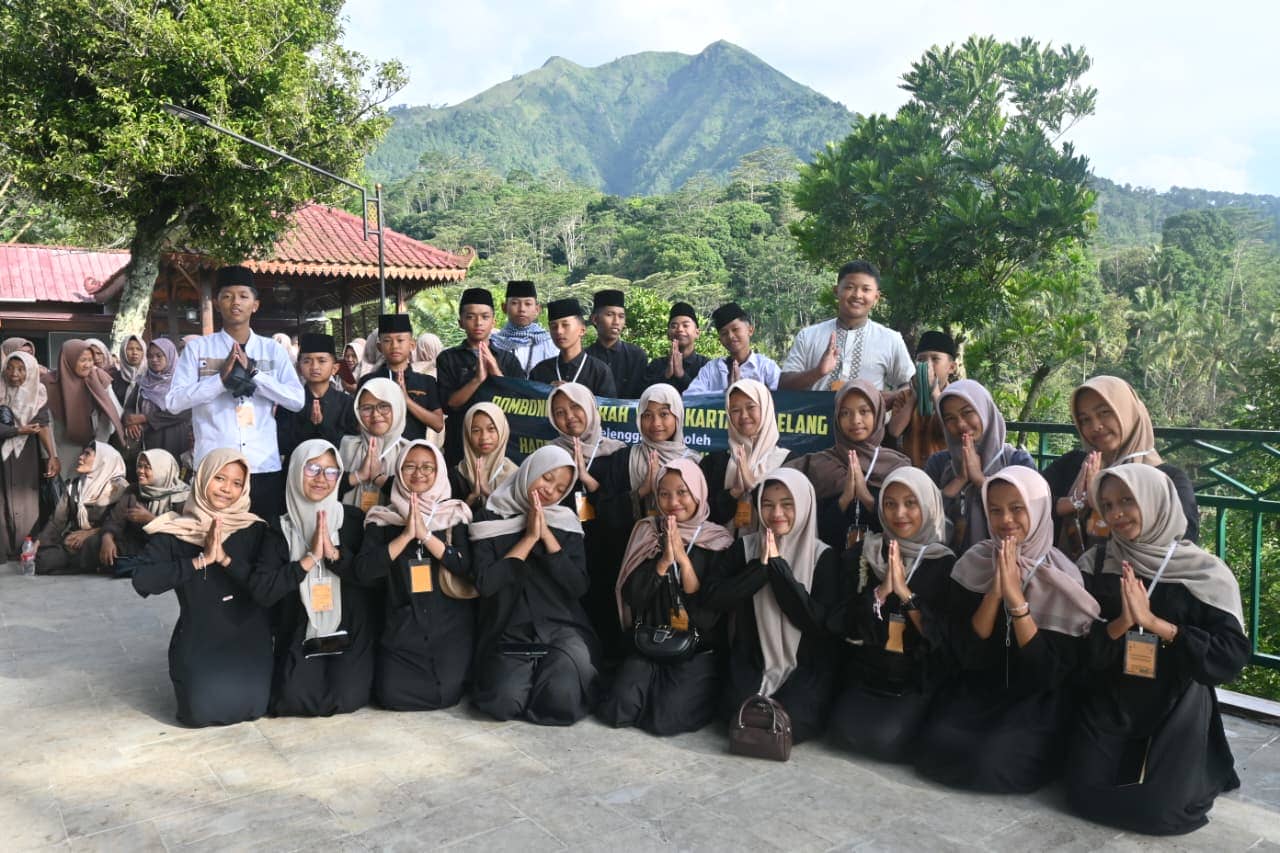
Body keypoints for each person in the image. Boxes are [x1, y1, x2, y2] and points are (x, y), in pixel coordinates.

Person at [1067, 464, 1248, 835]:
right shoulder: (1097, 564)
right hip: (1112, 695)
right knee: (1082, 795)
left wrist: (1156, 624)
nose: (1116, 514)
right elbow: (1079, 650)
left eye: (1127, 501)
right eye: (1107, 504)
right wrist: (1122, 622)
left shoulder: (1203, 572)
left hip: (1177, 699)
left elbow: (1229, 657)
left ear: (1155, 501)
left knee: (1160, 812)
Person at [916, 466, 1100, 793]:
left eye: (1017, 508)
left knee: (991, 764)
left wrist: (1016, 600)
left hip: (1036, 700)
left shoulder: (1063, 577)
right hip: (981, 688)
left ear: (1038, 510)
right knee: (936, 745)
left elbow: (1048, 673)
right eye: (995, 510)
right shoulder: (974, 562)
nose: (1006, 520)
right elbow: (967, 653)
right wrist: (995, 592)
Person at [133, 450, 284, 727]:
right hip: (200, 637)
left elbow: (267, 589)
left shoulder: (256, 530)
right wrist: (199, 561)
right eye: (219, 478)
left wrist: (226, 560)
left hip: (249, 640)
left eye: (237, 483)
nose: (227, 489)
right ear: (202, 478)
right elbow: (143, 580)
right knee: (199, 714)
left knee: (255, 707)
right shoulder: (178, 531)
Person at [701, 468, 841, 743]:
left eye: (787, 504)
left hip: (804, 664)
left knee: (791, 722)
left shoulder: (822, 556)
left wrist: (779, 569)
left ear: (804, 505)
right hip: (752, 659)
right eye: (767, 504)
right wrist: (760, 568)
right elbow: (713, 597)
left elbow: (818, 623)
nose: (776, 513)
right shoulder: (745, 548)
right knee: (736, 713)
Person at [599, 459, 735, 734]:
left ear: (698, 493)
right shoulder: (647, 532)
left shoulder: (719, 540)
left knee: (664, 720)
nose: (673, 502)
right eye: (664, 494)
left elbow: (708, 615)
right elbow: (633, 597)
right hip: (650, 639)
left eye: (682, 492)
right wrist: (662, 563)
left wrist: (684, 561)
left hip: (697, 646)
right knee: (619, 709)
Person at [465, 446, 599, 724]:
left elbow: (578, 586)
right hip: (509, 630)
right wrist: (528, 539)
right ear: (529, 471)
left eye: (560, 488)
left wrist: (547, 537)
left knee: (561, 701)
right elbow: (486, 584)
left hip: (562, 629)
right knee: (503, 703)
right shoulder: (489, 519)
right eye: (546, 478)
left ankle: (542, 678)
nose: (550, 490)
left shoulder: (567, 523)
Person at [828, 469, 956, 762]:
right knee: (844, 733)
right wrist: (881, 593)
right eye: (890, 503)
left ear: (928, 505)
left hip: (916, 678)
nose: (899, 513)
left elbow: (943, 639)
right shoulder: (866, 553)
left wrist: (906, 595)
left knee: (886, 742)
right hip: (870, 671)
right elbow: (845, 623)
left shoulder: (944, 562)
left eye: (911, 503)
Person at [165, 265, 305, 518]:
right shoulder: (198, 349)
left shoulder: (272, 350)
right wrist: (220, 381)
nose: (235, 302)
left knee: (262, 533)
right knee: (213, 535)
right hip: (214, 466)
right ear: (217, 304)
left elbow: (297, 400)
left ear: (255, 305)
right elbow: (173, 402)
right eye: (227, 296)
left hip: (262, 464)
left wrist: (255, 374)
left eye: (243, 296)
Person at [358, 440, 476, 710]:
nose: (418, 473)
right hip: (402, 627)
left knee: (448, 694)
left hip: (449, 626)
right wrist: (405, 536)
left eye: (427, 467)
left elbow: (465, 568)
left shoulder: (454, 513)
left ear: (439, 472)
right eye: (409, 466)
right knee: (391, 695)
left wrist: (426, 536)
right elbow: (364, 571)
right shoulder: (382, 518)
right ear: (399, 472)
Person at [263, 439, 376, 717]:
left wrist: (334, 556)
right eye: (312, 468)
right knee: (294, 698)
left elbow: (369, 578)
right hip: (299, 626)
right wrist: (308, 560)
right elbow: (266, 590)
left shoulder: (353, 520)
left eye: (331, 471)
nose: (322, 478)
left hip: (348, 627)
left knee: (348, 696)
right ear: (296, 470)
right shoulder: (278, 527)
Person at [1044, 376, 1199, 557]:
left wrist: (1101, 505)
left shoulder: (1167, 480)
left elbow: (1182, 542)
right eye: (1085, 419)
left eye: (1104, 413)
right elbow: (1030, 505)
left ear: (1127, 412)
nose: (1095, 426)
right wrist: (1077, 502)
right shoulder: (1074, 465)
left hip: (1130, 574)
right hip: (1063, 573)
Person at [545, 382, 627, 659]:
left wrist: (588, 480)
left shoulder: (617, 452)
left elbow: (621, 508)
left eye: (575, 407)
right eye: (559, 412)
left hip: (609, 547)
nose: (569, 417)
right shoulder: (550, 455)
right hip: (566, 548)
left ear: (589, 408)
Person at [786, 380, 911, 550]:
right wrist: (844, 499)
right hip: (826, 559)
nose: (855, 420)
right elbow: (806, 524)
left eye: (864, 411)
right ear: (837, 418)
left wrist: (867, 498)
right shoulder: (816, 464)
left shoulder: (897, 467)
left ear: (878, 413)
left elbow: (905, 525)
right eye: (845, 413)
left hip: (883, 559)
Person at [923, 380, 1038, 552]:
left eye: (967, 413)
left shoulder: (1017, 462)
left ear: (985, 411)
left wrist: (979, 479)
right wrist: (959, 480)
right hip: (946, 562)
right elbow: (922, 518)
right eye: (950, 418)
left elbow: (1033, 517)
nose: (961, 424)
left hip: (1008, 558)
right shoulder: (938, 464)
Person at [779, 260, 913, 393]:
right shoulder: (808, 336)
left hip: (870, 408)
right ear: (836, 291)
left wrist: (887, 399)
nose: (857, 295)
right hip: (815, 408)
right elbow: (783, 384)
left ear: (876, 297)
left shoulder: (890, 340)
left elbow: (910, 385)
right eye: (849, 287)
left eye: (866, 289)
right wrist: (818, 372)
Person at [436, 288, 523, 467]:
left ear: (493, 321)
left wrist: (495, 371)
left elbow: (519, 404)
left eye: (485, 317)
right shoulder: (448, 358)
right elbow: (449, 404)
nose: (478, 323)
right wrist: (477, 379)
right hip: (460, 441)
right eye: (470, 317)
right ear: (461, 322)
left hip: (501, 443)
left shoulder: (508, 359)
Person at [700, 378, 792, 531]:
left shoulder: (788, 462)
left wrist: (753, 486)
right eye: (735, 410)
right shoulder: (714, 463)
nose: (743, 415)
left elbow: (792, 516)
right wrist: (733, 493)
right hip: (722, 545)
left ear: (766, 409)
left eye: (751, 407)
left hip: (770, 545)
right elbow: (702, 515)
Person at [35, 441, 128, 575]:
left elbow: (121, 523)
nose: (80, 457)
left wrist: (90, 533)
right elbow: (57, 521)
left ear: (102, 460)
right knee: (42, 560)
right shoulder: (74, 486)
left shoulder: (120, 489)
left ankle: (81, 562)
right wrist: (39, 542)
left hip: (104, 539)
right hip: (75, 541)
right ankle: (81, 563)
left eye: (87, 454)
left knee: (94, 544)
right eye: (82, 453)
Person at [98, 449, 189, 576]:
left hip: (167, 547)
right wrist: (107, 538)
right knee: (96, 544)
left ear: (162, 470)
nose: (140, 471)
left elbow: (185, 530)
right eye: (139, 466)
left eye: (147, 467)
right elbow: (115, 519)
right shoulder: (134, 490)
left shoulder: (182, 496)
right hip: (138, 545)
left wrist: (151, 519)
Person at [1, 351, 56, 562]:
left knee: (26, 499)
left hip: (26, 454)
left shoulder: (37, 392)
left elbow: (43, 425)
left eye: (21, 369)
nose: (14, 373)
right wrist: (17, 430)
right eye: (10, 368)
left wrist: (52, 456)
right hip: (3, 453)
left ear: (31, 372)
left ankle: (23, 548)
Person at [357, 314, 444, 443]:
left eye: (400, 340)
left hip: (413, 452)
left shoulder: (426, 381)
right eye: (387, 341)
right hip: (379, 451)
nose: (394, 346)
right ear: (379, 347)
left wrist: (407, 401)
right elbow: (358, 425)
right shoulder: (369, 382)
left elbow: (438, 424)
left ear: (412, 345)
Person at [42, 339, 124, 473]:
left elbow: (111, 414)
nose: (88, 365)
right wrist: (50, 455)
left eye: (90, 360)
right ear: (69, 360)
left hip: (93, 446)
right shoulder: (48, 383)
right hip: (61, 447)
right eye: (83, 360)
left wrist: (97, 447)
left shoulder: (98, 378)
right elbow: (45, 423)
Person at [276, 333, 359, 464]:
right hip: (295, 469)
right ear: (299, 368)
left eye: (322, 361)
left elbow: (351, 445)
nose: (314, 367)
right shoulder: (289, 403)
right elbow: (281, 444)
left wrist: (322, 426)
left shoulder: (347, 404)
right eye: (307, 361)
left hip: (336, 470)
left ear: (335, 368)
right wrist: (309, 426)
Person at [887, 330, 956, 466]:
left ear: (951, 367)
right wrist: (915, 396)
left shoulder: (956, 397)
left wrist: (935, 393)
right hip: (912, 470)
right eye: (921, 360)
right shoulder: (905, 396)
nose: (927, 365)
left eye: (935, 359)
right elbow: (894, 431)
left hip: (944, 470)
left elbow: (952, 432)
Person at [337, 378, 407, 511]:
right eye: (367, 408)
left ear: (397, 406)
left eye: (384, 406)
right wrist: (357, 476)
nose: (375, 414)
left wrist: (379, 479)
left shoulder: (410, 452)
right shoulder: (346, 446)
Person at [121, 338, 193, 462]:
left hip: (174, 438)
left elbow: (184, 412)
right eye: (150, 356)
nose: (154, 360)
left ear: (169, 356)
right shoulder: (143, 381)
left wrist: (145, 418)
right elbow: (130, 406)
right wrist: (131, 422)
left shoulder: (181, 382)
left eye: (159, 356)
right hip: (149, 439)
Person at [684, 303, 780, 395]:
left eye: (735, 329)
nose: (730, 336)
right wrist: (726, 393)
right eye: (724, 333)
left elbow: (782, 396)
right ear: (720, 340)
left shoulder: (765, 367)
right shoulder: (711, 369)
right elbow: (691, 397)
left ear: (750, 330)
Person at [529, 298, 617, 398]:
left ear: (582, 330)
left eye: (565, 325)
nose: (559, 331)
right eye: (553, 327)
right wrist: (546, 391)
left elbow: (609, 406)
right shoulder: (539, 371)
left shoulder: (600, 371)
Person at [448, 402, 519, 512]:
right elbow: (447, 519)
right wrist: (472, 497)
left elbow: (519, 516)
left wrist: (487, 492)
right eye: (476, 430)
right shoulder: (456, 475)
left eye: (491, 429)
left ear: (502, 430)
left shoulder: (515, 475)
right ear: (467, 434)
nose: (484, 437)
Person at [585, 289, 647, 399]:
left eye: (621, 316)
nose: (616, 322)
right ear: (595, 319)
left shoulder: (637, 355)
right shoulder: (584, 357)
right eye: (609, 315)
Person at [489, 280, 557, 376]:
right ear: (504, 307)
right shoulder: (493, 343)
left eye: (528, 304)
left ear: (537, 309)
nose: (522, 309)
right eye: (515, 303)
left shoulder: (551, 343)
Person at [644, 302, 709, 393]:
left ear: (697, 333)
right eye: (674, 326)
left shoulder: (706, 366)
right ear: (668, 334)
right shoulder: (656, 365)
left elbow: (708, 397)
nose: (679, 329)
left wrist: (682, 375)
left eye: (685, 325)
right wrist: (666, 375)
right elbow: (644, 395)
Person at [110, 334, 147, 408]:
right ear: (123, 351)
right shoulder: (114, 378)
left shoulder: (150, 377)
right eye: (130, 349)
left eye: (139, 349)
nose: (135, 352)